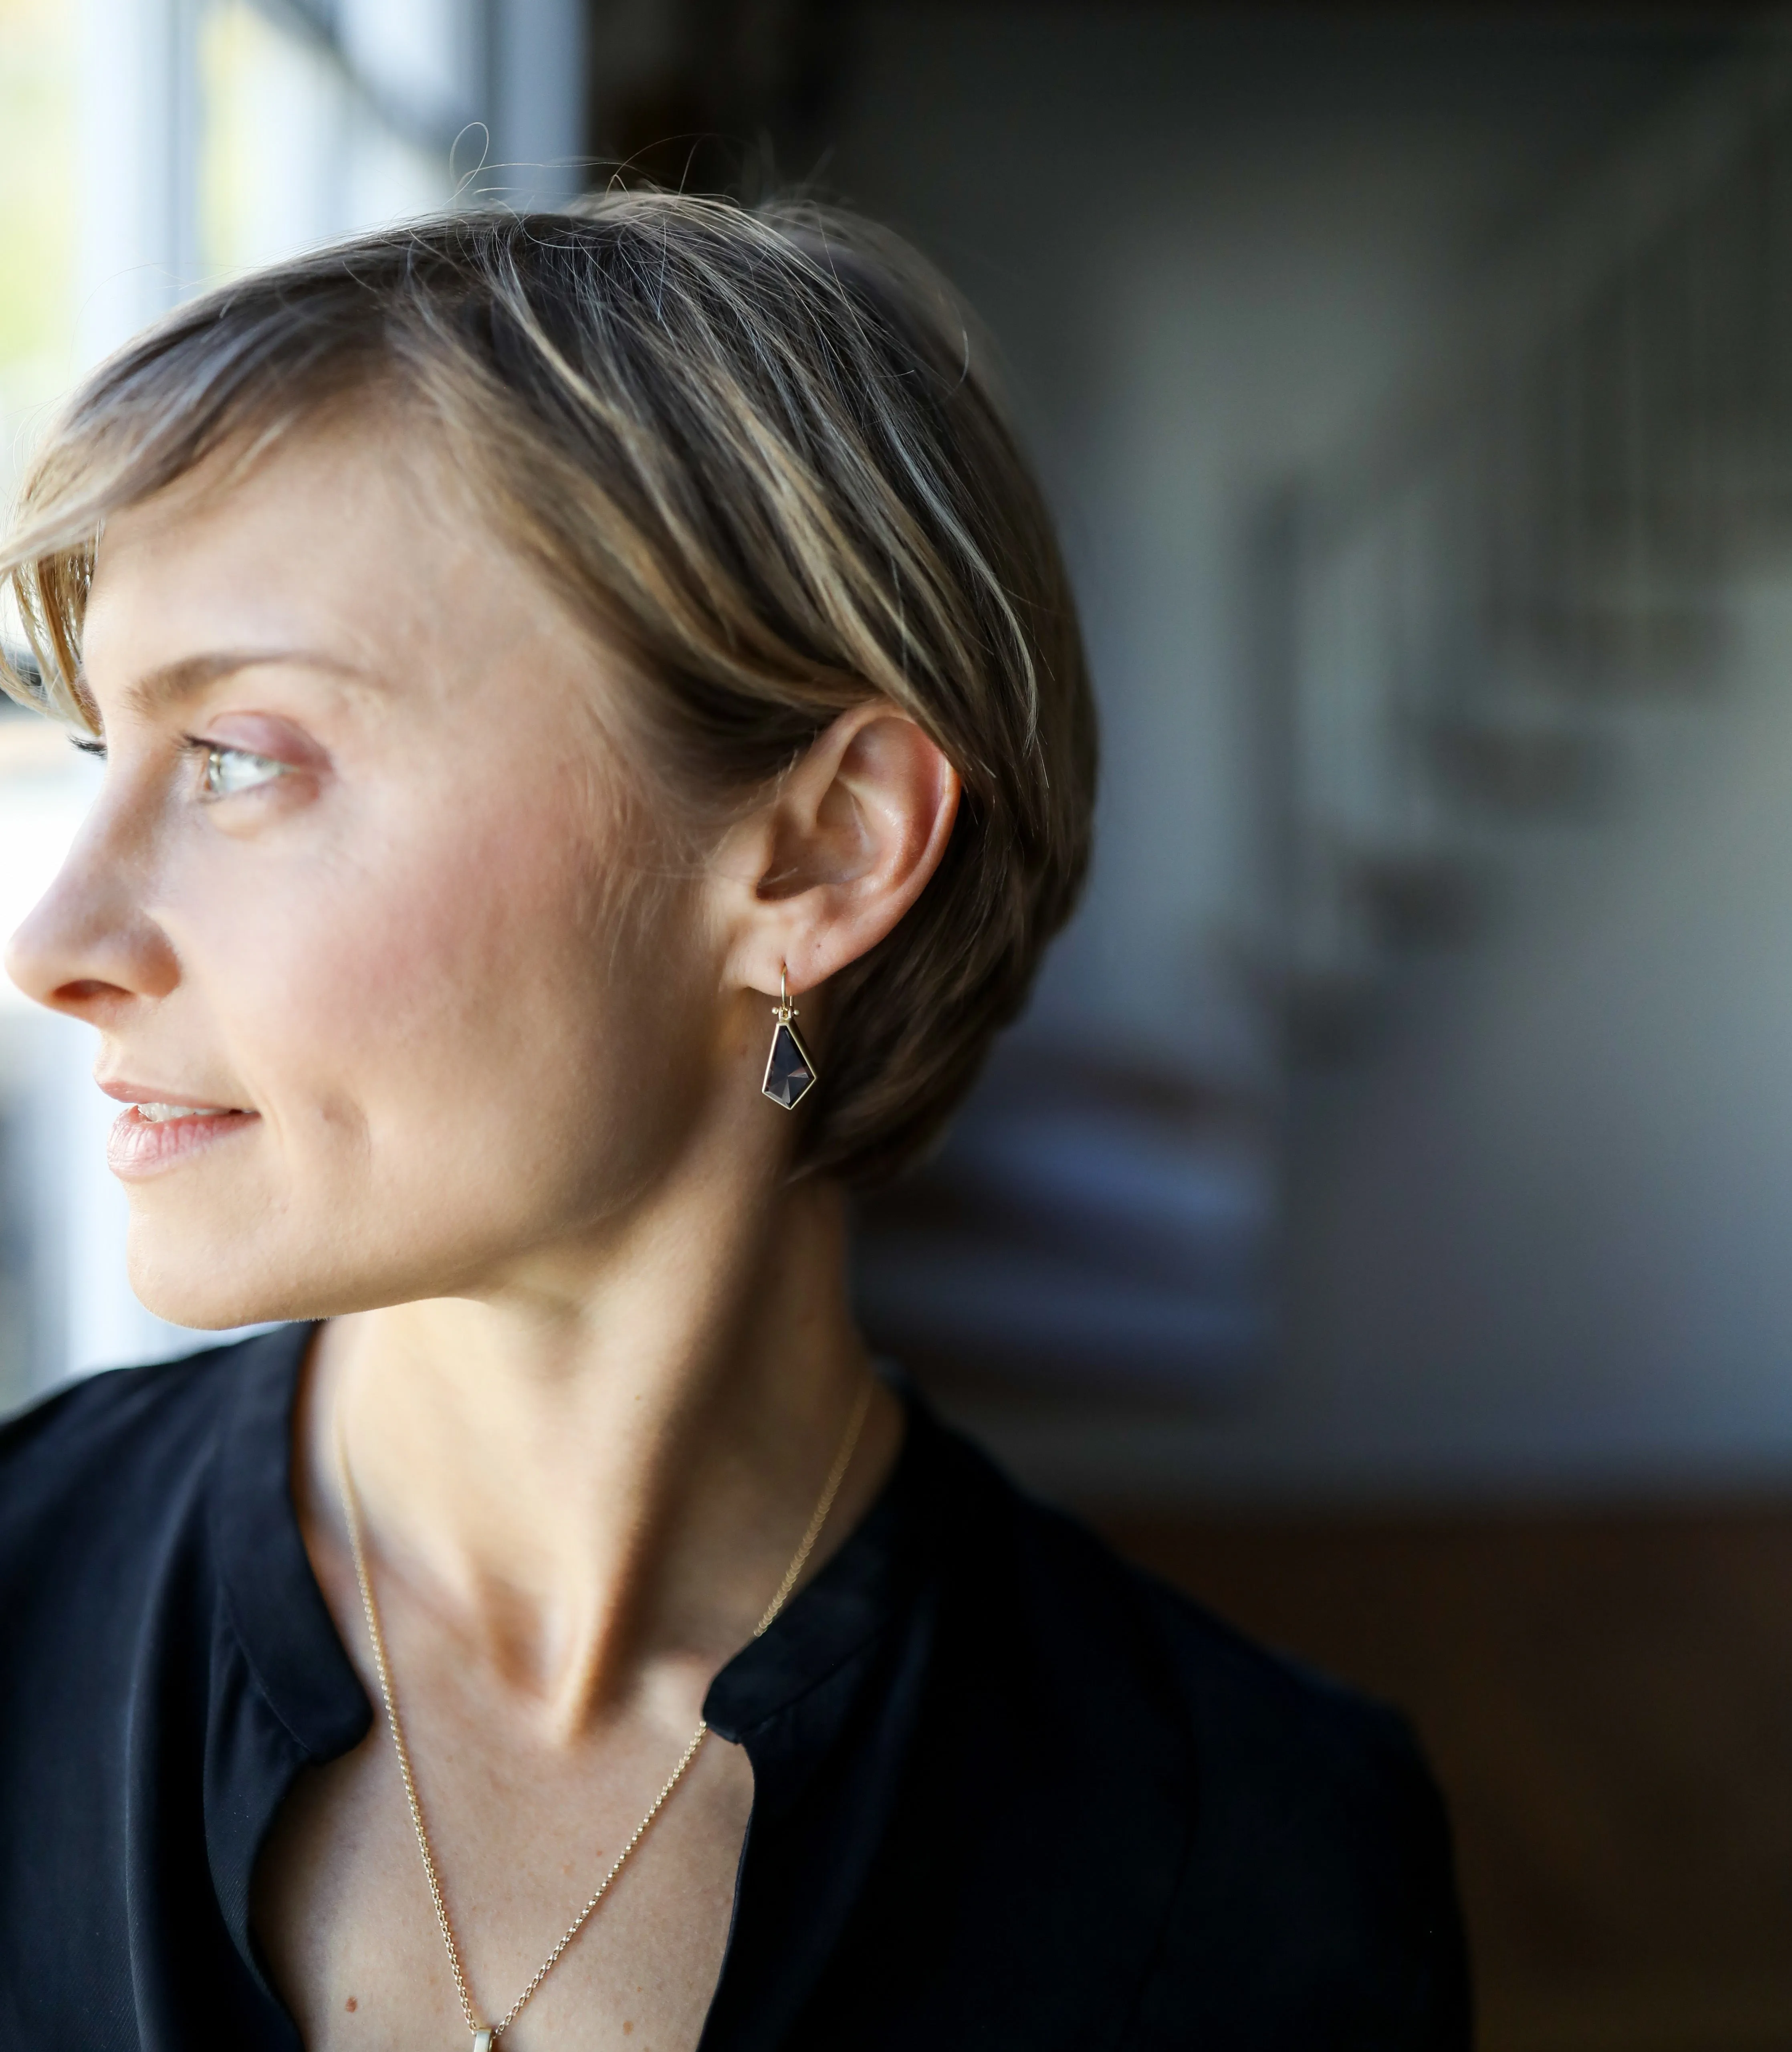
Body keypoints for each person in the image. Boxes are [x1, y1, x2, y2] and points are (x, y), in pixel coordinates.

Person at [0, 192, 1469, 2050]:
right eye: (95, 748)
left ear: (819, 844)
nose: (56, 943)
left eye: (240, 758)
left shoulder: (1255, 1866)